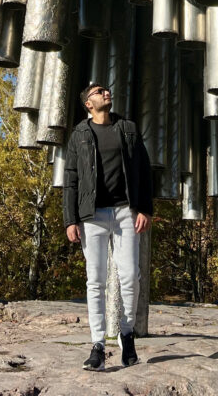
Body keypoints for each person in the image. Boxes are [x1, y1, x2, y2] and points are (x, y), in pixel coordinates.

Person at [63, 82, 153, 371]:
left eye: (106, 90)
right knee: (96, 280)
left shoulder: (127, 128)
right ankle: (98, 345)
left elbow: (144, 170)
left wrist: (145, 209)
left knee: (130, 277)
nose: (105, 93)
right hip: (93, 215)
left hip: (126, 212)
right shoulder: (80, 133)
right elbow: (71, 179)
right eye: (98, 92)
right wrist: (70, 219)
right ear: (88, 104)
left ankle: (126, 335)